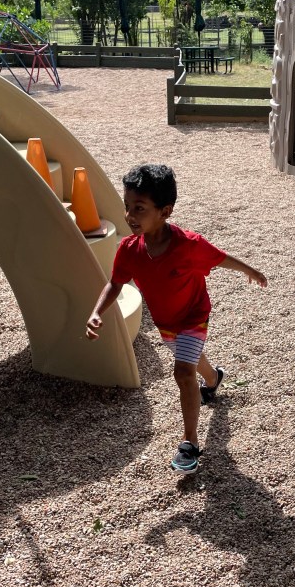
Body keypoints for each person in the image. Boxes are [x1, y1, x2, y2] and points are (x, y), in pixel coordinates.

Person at [86, 163, 267, 474]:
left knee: (183, 372)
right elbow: (115, 283)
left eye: (139, 208)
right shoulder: (129, 249)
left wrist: (250, 271)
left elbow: (219, 258)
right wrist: (96, 312)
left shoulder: (189, 245)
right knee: (192, 360)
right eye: (127, 206)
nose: (129, 216)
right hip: (166, 323)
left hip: (194, 316)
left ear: (165, 211)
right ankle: (214, 378)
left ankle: (189, 443)